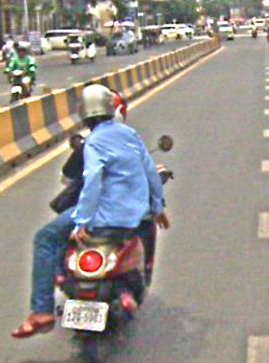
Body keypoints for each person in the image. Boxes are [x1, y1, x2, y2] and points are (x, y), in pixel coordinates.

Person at [12, 84, 169, 338]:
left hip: (103, 217)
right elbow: (150, 170)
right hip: (135, 216)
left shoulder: (93, 142)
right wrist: (158, 206)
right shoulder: (129, 135)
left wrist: (82, 221)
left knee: (46, 237)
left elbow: (93, 179)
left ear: (84, 114)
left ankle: (41, 310)